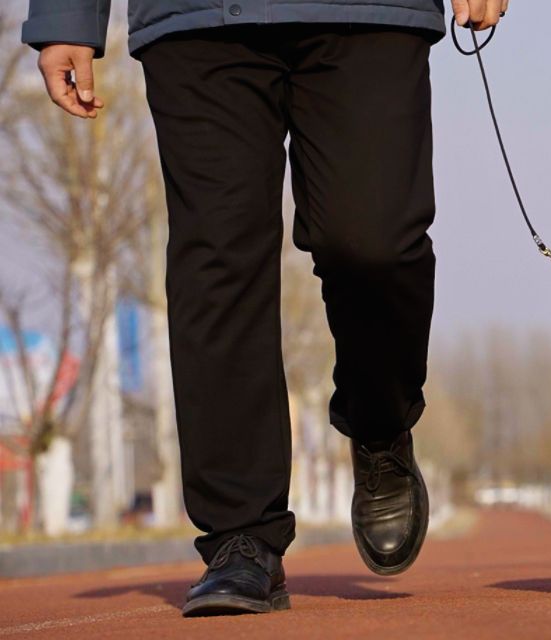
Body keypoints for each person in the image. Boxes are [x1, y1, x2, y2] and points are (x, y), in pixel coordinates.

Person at [23, 0, 508, 617]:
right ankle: (240, 534)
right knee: (217, 261)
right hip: (197, 18)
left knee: (374, 241)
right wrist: (67, 16)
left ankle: (381, 422)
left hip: (368, 12)